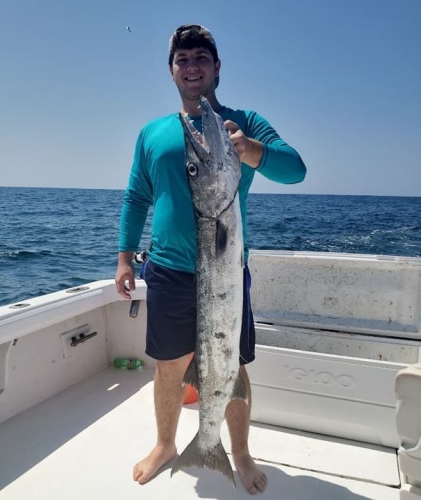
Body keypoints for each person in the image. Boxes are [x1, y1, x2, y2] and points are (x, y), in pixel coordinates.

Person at [115, 24, 306, 494]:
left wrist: (252, 150)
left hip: (224, 273)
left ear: (217, 67)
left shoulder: (244, 122)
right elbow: (136, 196)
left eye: (201, 57)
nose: (192, 66)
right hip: (167, 271)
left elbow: (296, 169)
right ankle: (165, 443)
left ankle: (237, 450)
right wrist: (123, 258)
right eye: (183, 59)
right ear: (171, 71)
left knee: (232, 364)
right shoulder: (153, 133)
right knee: (168, 366)